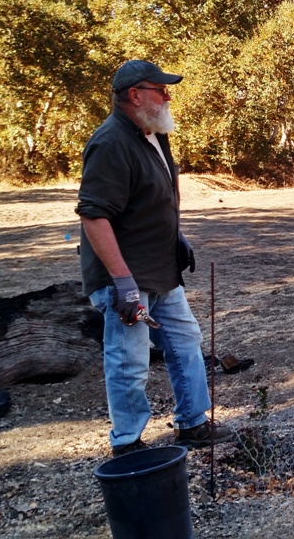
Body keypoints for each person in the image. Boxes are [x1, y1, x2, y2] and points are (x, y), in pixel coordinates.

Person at [76, 60, 233, 456]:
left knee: (185, 342)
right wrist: (123, 284)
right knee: (129, 357)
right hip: (128, 278)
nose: (167, 95)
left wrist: (175, 235)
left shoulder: (153, 134)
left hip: (161, 270)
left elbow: (154, 198)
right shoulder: (111, 142)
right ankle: (127, 442)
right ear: (134, 95)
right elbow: (94, 216)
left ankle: (193, 424)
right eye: (159, 89)